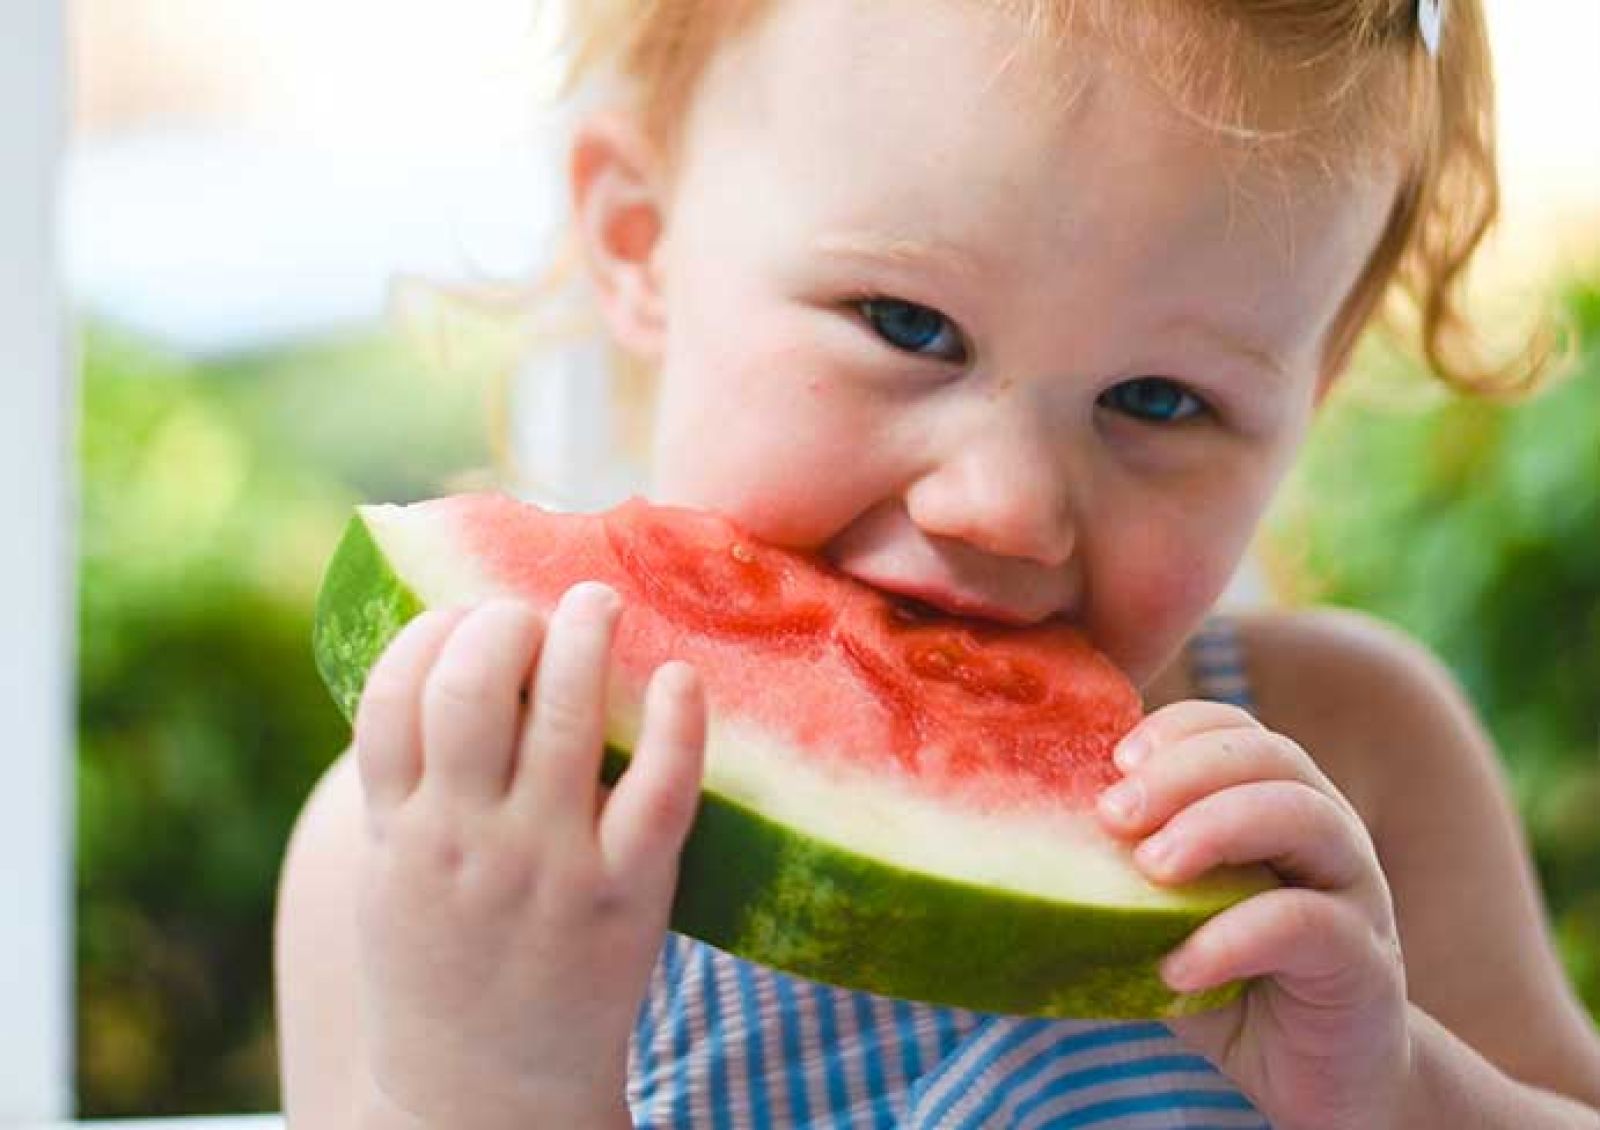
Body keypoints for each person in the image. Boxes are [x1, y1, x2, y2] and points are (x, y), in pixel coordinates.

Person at [274, 1, 1600, 1126]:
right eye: (908, 324)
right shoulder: (430, 843)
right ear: (640, 241)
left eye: (1160, 400)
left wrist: (1406, 1086)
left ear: (1308, 397)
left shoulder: (1364, 761)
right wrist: (493, 1072)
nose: (1006, 506)